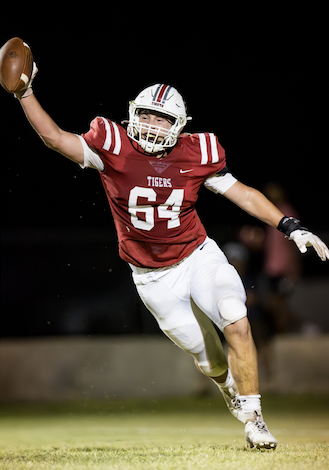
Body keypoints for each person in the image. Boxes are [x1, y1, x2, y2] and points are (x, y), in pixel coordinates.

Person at [4, 58, 329, 450]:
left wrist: (289, 225)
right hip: (151, 276)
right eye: (147, 116)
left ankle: (255, 419)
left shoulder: (198, 151)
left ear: (179, 124)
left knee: (234, 315)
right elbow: (55, 138)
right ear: (132, 114)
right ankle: (229, 387)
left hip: (197, 256)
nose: (153, 125)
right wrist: (25, 93)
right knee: (210, 360)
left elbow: (242, 192)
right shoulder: (113, 146)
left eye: (162, 119)